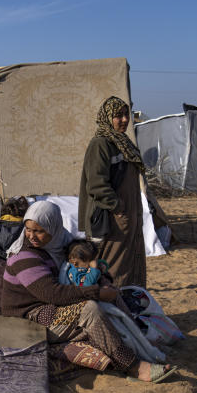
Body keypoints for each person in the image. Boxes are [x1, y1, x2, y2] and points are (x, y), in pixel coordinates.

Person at [1, 201, 176, 383]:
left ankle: (141, 341)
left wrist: (103, 281)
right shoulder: (24, 257)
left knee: (113, 294)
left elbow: (89, 261)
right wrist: (97, 293)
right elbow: (52, 294)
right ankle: (132, 366)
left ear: (54, 228)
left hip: (54, 306)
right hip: (31, 316)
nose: (31, 236)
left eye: (39, 231)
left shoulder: (62, 241)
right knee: (90, 309)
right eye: (28, 229)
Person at [78, 96, 146, 288]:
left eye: (126, 115)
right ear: (107, 117)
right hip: (112, 218)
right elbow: (97, 185)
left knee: (130, 264)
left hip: (128, 216)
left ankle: (129, 310)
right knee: (112, 268)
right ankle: (112, 311)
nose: (124, 119)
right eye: (118, 115)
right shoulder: (101, 144)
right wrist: (118, 208)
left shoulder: (123, 143)